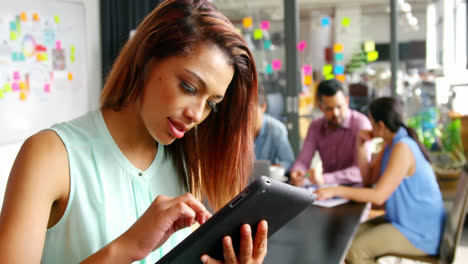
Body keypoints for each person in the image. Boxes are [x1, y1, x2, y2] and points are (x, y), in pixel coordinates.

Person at [0, 1, 268, 263]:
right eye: (188, 87)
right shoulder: (49, 156)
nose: (196, 115)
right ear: (146, 58)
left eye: (211, 104)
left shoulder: (186, 168)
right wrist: (127, 247)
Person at [315, 97, 446, 264]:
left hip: (419, 231)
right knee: (345, 239)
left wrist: (335, 189)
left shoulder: (403, 147)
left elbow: (378, 196)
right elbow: (369, 179)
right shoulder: (391, 143)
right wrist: (360, 145)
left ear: (381, 125)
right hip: (401, 221)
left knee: (355, 250)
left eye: (371, 122)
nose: (369, 126)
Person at [289, 79, 372, 186]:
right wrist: (297, 171)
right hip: (325, 191)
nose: (335, 113)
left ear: (347, 101)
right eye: (329, 109)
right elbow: (303, 160)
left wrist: (325, 179)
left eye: (339, 107)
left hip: (354, 190)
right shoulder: (315, 126)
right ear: (320, 107)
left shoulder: (361, 124)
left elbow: (360, 171)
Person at [254, 85, 295, 171]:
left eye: (250, 110)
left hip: (269, 180)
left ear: (263, 107)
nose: (245, 116)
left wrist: (274, 169)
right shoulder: (237, 131)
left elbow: (288, 161)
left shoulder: (276, 129)